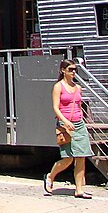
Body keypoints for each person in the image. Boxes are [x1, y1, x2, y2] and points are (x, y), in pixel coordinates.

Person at [44, 59, 94, 198]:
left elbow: (78, 105)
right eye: (70, 69)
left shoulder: (78, 88)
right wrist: (65, 121)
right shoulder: (58, 87)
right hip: (65, 125)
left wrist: (82, 119)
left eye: (74, 70)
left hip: (78, 124)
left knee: (81, 156)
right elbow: (55, 107)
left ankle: (79, 189)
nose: (73, 72)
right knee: (68, 158)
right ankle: (50, 176)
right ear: (63, 71)